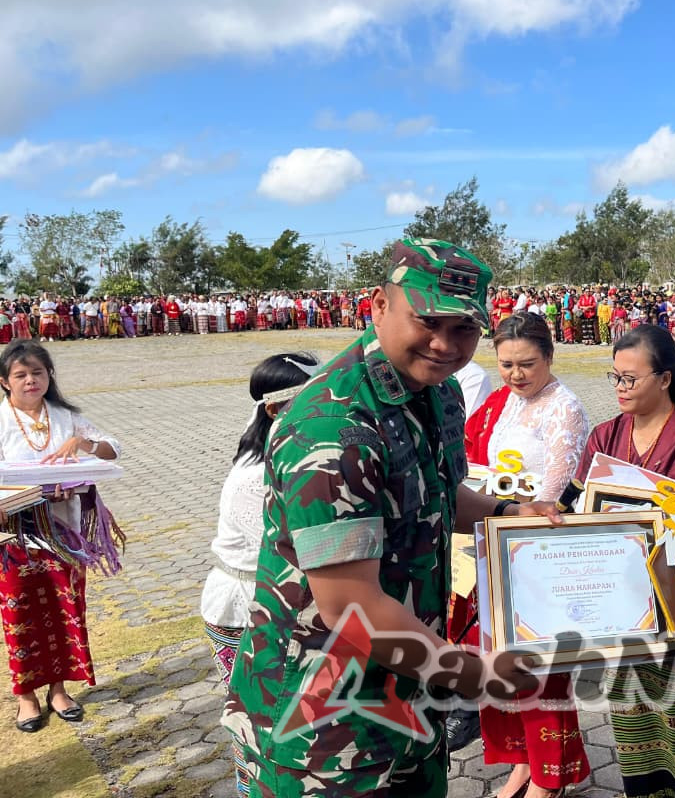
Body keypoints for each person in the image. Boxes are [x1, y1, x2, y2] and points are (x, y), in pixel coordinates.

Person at [223, 240, 549, 797]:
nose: (446, 344)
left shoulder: (437, 394)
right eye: (429, 321)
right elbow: (352, 609)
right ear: (378, 305)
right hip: (322, 718)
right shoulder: (332, 427)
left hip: (409, 686)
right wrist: (475, 675)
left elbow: (439, 496)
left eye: (465, 328)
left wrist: (511, 513)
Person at [558, 323, 675, 798]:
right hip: (620, 607)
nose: (620, 388)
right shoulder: (605, 435)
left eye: (630, 378)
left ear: (665, 378)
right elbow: (575, 506)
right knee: (634, 730)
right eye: (615, 377)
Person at [466, 313, 592, 798]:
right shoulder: (505, 403)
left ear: (550, 357)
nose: (516, 375)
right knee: (501, 666)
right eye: (506, 365)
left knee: (542, 668)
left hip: (538, 550)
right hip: (495, 544)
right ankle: (521, 761)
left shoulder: (565, 408)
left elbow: (555, 490)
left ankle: (550, 775)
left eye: (527, 364)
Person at [202, 352, 322, 797]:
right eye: (311, 401)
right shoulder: (258, 474)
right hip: (244, 604)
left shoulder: (285, 454)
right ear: (275, 410)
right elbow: (292, 555)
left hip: (271, 602)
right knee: (257, 722)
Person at [0, 341, 123, 733]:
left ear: (49, 375)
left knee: (63, 610)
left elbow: (112, 450)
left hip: (62, 535)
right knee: (20, 615)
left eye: (37, 372)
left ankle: (58, 690)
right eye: (20, 375)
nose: (30, 380)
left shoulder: (67, 419)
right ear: (5, 382)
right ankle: (25, 697)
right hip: (13, 538)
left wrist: (82, 445)